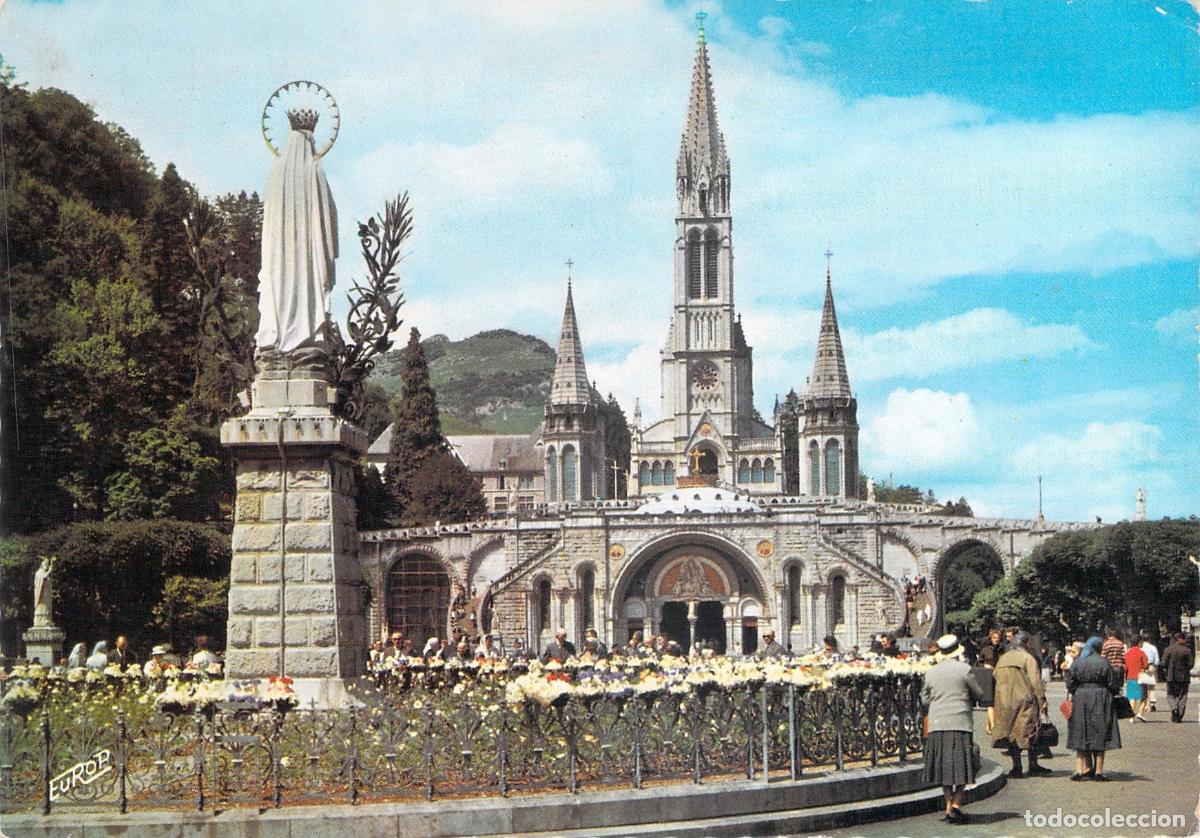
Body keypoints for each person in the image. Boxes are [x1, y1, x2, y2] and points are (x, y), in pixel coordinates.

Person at [921, 634, 986, 824]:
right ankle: (956, 804)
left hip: (937, 723)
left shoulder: (930, 672)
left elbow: (925, 699)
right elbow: (979, 694)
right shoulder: (964, 670)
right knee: (964, 766)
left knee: (943, 768)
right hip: (960, 722)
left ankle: (949, 806)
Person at [991, 631, 1049, 778]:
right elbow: (1036, 682)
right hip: (1025, 700)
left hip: (1004, 701)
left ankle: (1016, 767)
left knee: (1011, 734)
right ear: (1026, 644)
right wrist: (1042, 700)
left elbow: (994, 676)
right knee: (1030, 731)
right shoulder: (1027, 658)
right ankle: (1033, 765)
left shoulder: (1003, 659)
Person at [1066, 636, 1121, 781]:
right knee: (1100, 731)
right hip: (1101, 697)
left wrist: (1078, 692)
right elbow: (1113, 683)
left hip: (1080, 697)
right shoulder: (1104, 662)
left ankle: (1079, 770)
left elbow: (1070, 683)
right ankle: (1098, 771)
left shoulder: (1078, 662)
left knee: (1080, 731)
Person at [1162, 632, 1195, 723]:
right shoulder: (1187, 650)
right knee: (1183, 695)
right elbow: (1191, 664)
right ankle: (1179, 714)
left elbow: (1163, 663)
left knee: (1170, 695)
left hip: (1171, 676)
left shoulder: (1168, 650)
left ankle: (1174, 709)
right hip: (1184, 677)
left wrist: (1167, 670)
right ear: (1182, 639)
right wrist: (1186, 669)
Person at [1123, 639, 1149, 722]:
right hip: (1141, 676)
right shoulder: (1142, 653)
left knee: (1132, 697)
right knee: (1144, 697)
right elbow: (1145, 665)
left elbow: (1126, 667)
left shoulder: (1127, 653)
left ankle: (1131, 717)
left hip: (1130, 677)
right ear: (1139, 643)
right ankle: (1140, 713)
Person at [1138, 631, 1160, 712]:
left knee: (1144, 687)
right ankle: (1152, 703)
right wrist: (1155, 667)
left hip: (1143, 667)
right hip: (1151, 666)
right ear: (1149, 639)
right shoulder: (1153, 647)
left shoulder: (1141, 648)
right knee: (1152, 686)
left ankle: (1146, 705)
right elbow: (1157, 660)